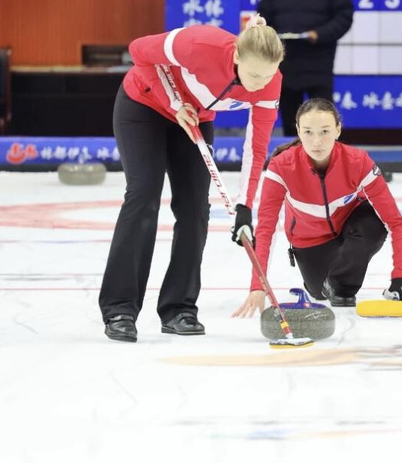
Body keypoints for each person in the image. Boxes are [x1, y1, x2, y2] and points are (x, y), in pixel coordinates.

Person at [99, 18, 284, 342]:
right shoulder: (200, 45)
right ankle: (120, 308)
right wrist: (173, 102)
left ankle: (179, 308)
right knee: (143, 194)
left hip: (195, 120)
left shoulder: (270, 81)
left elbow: (256, 147)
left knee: (196, 208)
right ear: (237, 57)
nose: (259, 84)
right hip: (143, 107)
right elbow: (139, 52)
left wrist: (244, 205)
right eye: (254, 75)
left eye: (268, 76)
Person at [232, 98, 402, 318]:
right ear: (297, 130)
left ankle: (341, 283)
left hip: (350, 227)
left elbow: (395, 222)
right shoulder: (281, 167)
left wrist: (400, 278)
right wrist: (257, 286)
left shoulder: (358, 162)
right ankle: (327, 281)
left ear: (338, 129)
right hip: (310, 242)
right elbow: (266, 229)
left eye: (325, 131)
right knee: (320, 292)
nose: (317, 142)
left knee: (373, 227)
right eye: (308, 132)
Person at [256, 0, 354, 136]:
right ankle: (293, 164)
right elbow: (263, 21)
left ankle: (327, 162)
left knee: (324, 119)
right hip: (285, 66)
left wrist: (320, 34)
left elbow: (344, 17)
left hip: (319, 65)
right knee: (292, 124)